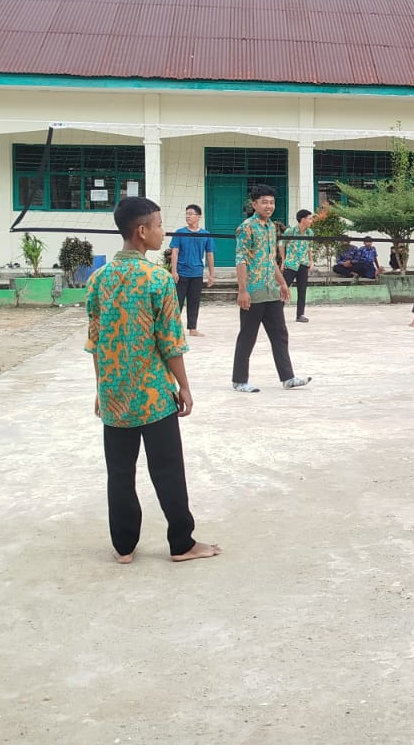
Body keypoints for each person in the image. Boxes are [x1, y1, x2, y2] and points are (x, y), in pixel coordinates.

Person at [86, 196, 219, 564]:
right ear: (142, 232)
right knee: (167, 470)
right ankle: (182, 544)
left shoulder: (98, 280)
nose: (164, 231)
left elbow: (96, 341)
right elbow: (170, 343)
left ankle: (124, 548)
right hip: (153, 395)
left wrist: (101, 387)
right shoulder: (157, 279)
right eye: (159, 225)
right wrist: (185, 387)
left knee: (120, 473)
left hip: (114, 395)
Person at [232, 184, 310, 394]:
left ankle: (288, 378)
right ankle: (239, 380)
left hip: (271, 292)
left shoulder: (271, 227)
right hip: (253, 291)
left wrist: (282, 283)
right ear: (254, 204)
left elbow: (270, 260)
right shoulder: (246, 227)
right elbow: (240, 259)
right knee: (248, 336)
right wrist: (242, 290)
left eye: (272, 202)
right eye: (264, 202)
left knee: (280, 334)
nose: (269, 206)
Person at [168, 204, 214, 338]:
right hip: (181, 273)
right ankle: (173, 329)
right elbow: (174, 252)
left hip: (197, 273)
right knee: (177, 302)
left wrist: (211, 274)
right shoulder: (180, 232)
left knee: (194, 301)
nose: (188, 216)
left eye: (191, 214)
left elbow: (210, 254)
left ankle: (193, 328)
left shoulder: (206, 234)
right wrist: (174, 271)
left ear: (198, 217)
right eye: (186, 214)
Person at [282, 209, 314, 323]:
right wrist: (283, 259)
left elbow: (309, 247)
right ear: (303, 219)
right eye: (310, 218)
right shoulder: (290, 232)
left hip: (303, 264)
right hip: (291, 264)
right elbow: (282, 244)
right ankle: (277, 314)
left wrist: (311, 260)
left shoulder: (310, 233)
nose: (311, 220)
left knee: (302, 290)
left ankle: (300, 314)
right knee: (283, 289)